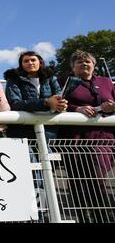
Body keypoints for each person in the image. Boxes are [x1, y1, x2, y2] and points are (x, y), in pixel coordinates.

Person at [62, 50, 115, 223]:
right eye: (79, 62)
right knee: (77, 181)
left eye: (88, 62)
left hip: (103, 138)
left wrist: (111, 107)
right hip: (74, 138)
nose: (84, 64)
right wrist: (76, 109)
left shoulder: (106, 82)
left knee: (96, 177)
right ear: (72, 67)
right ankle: (83, 218)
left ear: (94, 65)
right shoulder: (65, 81)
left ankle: (105, 217)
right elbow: (58, 103)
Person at [4, 51, 67, 140]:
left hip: (49, 131)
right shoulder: (13, 79)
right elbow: (15, 104)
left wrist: (61, 104)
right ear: (21, 64)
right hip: (22, 131)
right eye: (26, 61)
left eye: (33, 60)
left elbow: (59, 96)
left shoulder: (51, 78)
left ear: (40, 62)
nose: (30, 63)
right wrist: (45, 102)